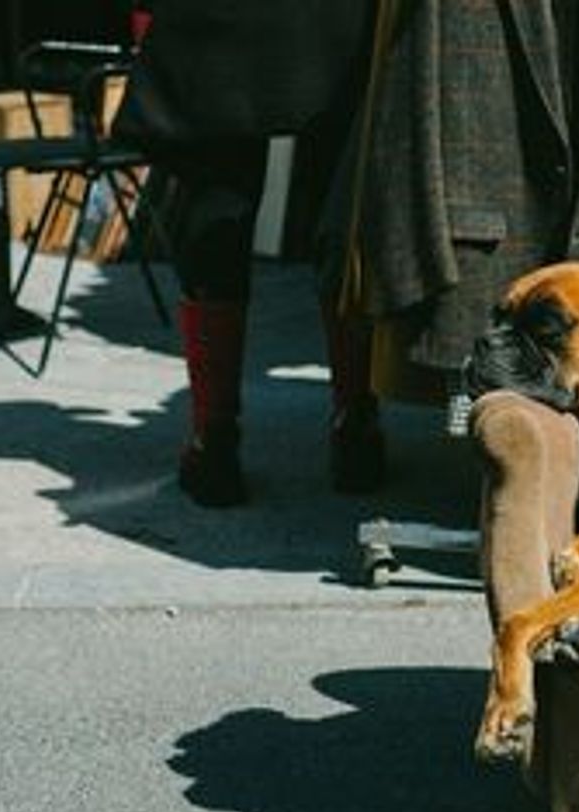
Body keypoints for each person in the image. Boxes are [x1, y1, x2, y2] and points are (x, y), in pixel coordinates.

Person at [113, 0, 381, 507]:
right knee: (341, 215)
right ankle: (355, 424)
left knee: (215, 215)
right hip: (337, 25)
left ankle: (213, 437)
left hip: (223, 22)